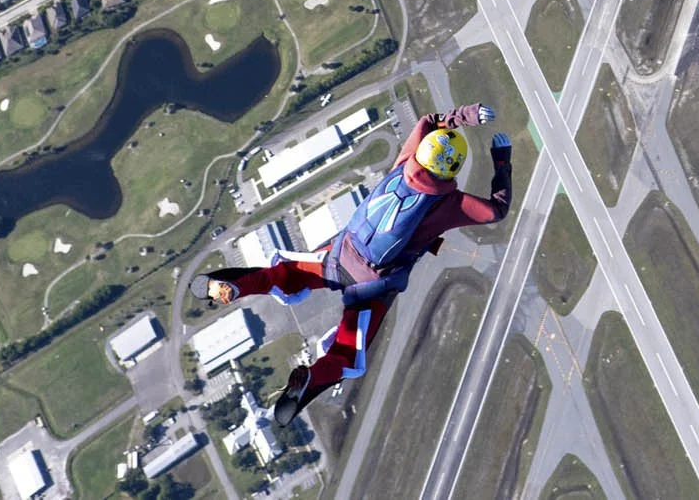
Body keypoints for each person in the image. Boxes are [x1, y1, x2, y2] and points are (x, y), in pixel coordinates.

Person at [207, 104, 509, 424]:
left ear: (423, 151)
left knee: (289, 275)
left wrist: (465, 115)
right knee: (348, 352)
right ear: (452, 170)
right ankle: (313, 378)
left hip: (339, 254)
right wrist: (501, 160)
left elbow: (428, 121)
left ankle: (236, 285)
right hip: (374, 283)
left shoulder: (405, 163)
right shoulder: (450, 203)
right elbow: (497, 210)